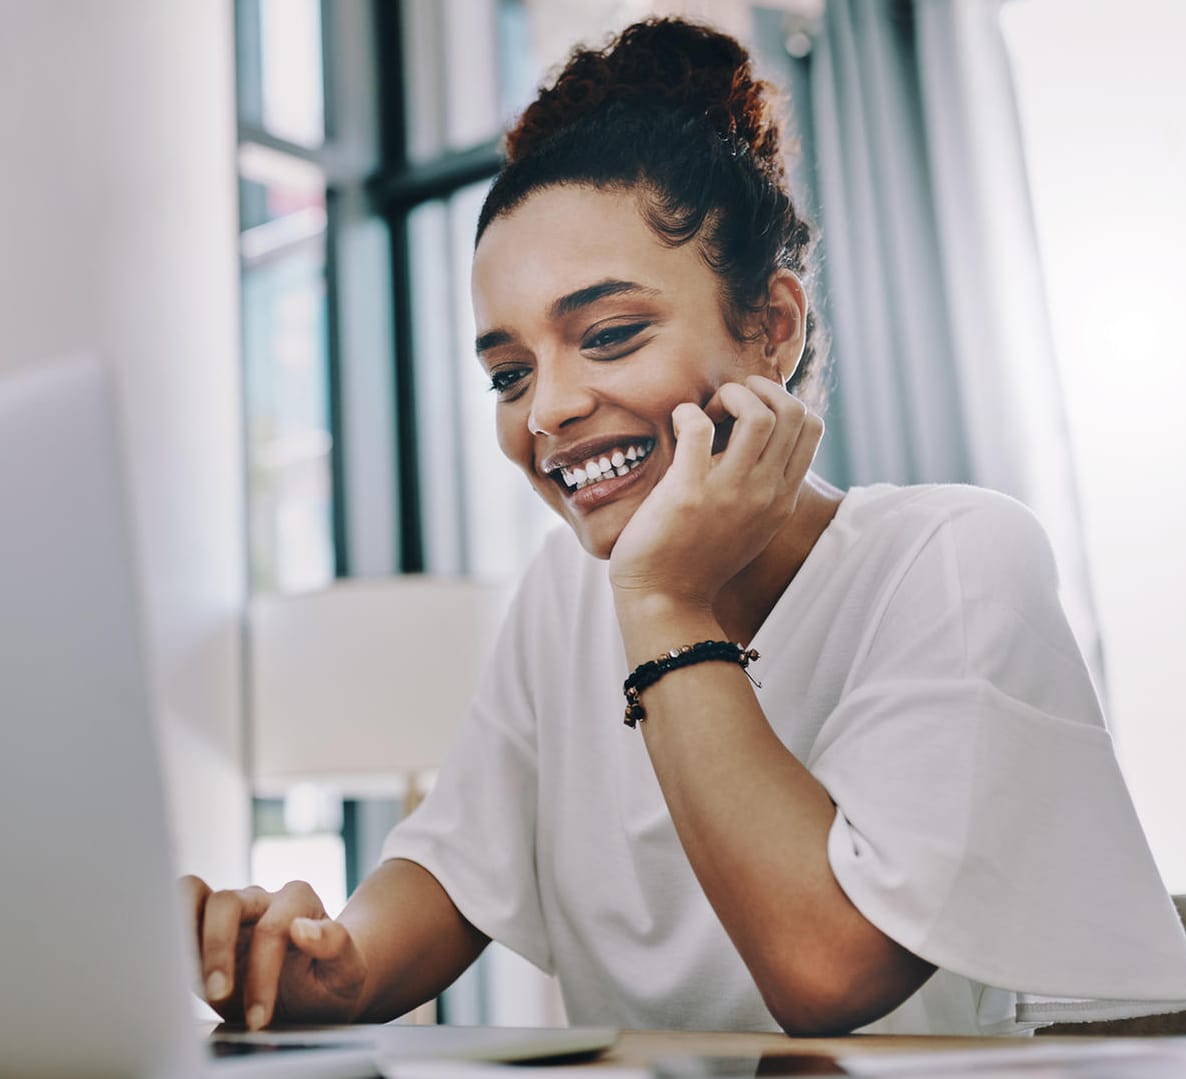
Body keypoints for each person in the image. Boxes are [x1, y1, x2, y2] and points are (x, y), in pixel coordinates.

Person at [182, 16, 1186, 1036]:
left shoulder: (952, 559)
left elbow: (826, 969)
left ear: (771, 328)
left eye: (609, 335)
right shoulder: (561, 595)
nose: (546, 411)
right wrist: (321, 968)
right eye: (508, 373)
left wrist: (664, 599)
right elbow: (450, 866)